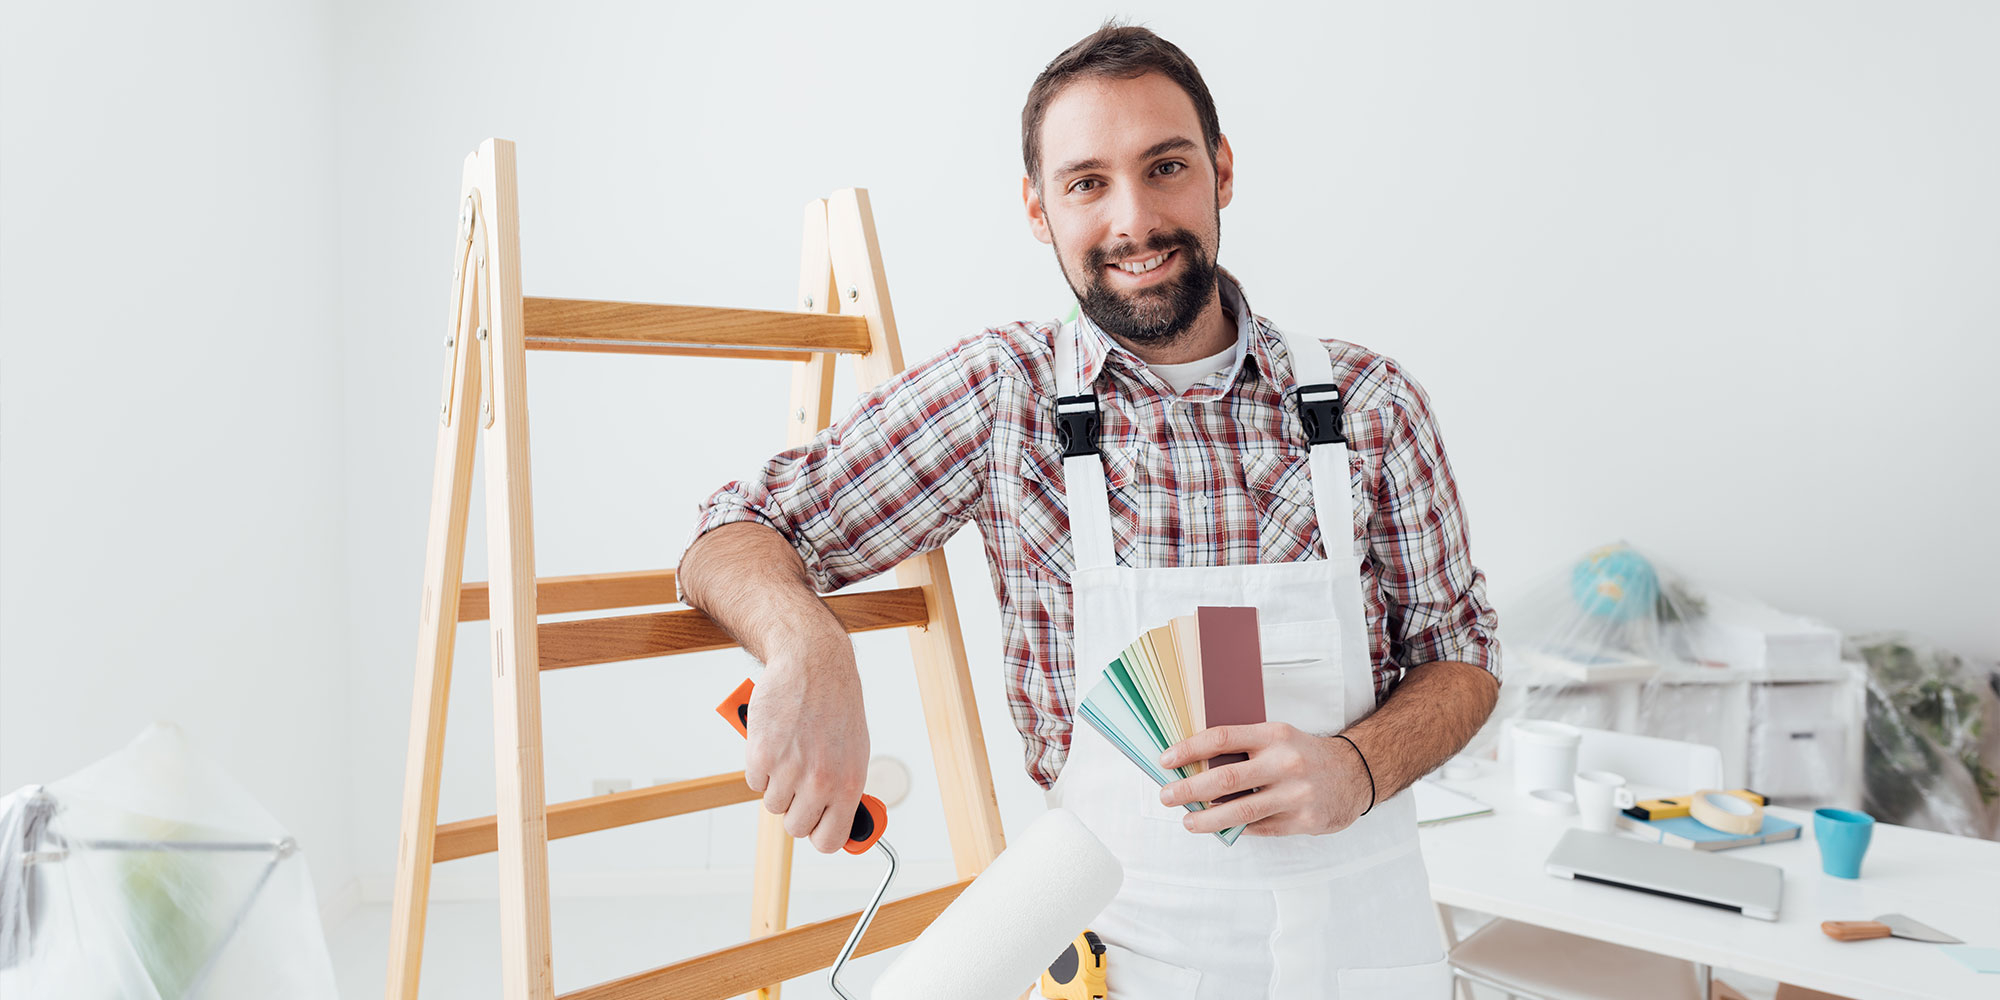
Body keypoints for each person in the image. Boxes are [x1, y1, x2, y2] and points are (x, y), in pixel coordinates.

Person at [676, 20, 1500, 998]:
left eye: (1163, 167)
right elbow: (733, 530)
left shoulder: (1370, 401)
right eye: (1085, 183)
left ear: (1220, 169)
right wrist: (809, 644)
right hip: (1117, 954)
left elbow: (1463, 654)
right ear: (1036, 207)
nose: (1132, 220)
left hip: (1365, 954)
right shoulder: (1002, 396)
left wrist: (1357, 768)